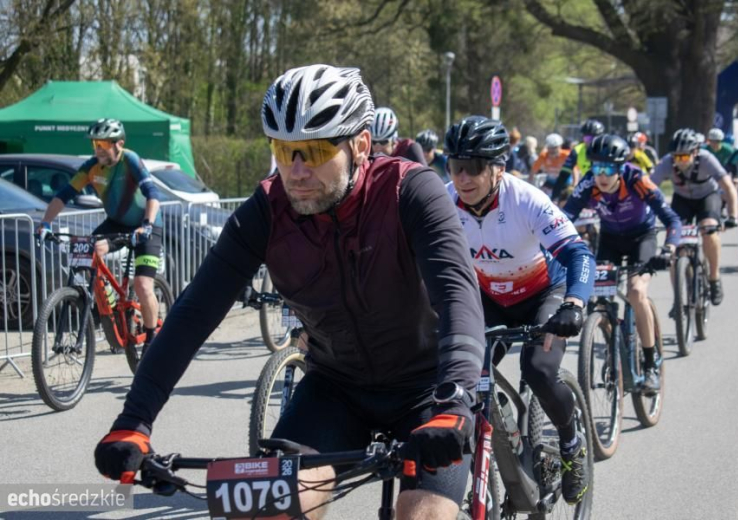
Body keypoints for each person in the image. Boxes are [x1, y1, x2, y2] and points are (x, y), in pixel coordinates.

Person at [93, 65, 486, 520]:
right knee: (269, 511)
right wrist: (134, 421)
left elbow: (458, 295)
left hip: (427, 388)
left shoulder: (410, 190)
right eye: (284, 150)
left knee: (422, 513)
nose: (296, 171)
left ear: (360, 145)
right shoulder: (266, 210)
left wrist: (455, 397)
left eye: (315, 150)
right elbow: (192, 315)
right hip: (336, 389)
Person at [445, 115, 595, 505]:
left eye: (474, 167)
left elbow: (577, 252)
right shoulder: (445, 201)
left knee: (540, 370)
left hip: (543, 292)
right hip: (489, 298)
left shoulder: (525, 199)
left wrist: (574, 304)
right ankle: (499, 446)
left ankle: (570, 443)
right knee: (458, 373)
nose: (463, 178)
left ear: (498, 169)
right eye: (456, 166)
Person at [563, 135, 681, 393]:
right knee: (599, 299)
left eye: (609, 168)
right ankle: (610, 341)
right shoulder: (588, 184)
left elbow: (672, 219)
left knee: (636, 292)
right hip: (610, 240)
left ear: (621, 168)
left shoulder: (637, 179)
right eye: (596, 167)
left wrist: (669, 247)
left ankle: (650, 365)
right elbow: (561, 220)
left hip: (642, 237)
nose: (602, 175)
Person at [36, 118, 162, 351]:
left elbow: (153, 194)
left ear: (118, 143)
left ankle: (153, 340)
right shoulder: (91, 166)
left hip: (147, 224)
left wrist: (146, 224)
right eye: (95, 144)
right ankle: (108, 306)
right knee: (88, 250)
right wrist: (45, 224)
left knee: (143, 285)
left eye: (102, 144)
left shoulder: (130, 160)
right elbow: (63, 195)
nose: (97, 150)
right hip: (116, 223)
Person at [651, 128, 738, 306]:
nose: (680, 161)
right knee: (674, 247)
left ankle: (714, 278)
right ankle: (678, 298)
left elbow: (728, 187)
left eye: (684, 157)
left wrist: (733, 215)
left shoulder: (707, 159)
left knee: (709, 229)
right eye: (676, 157)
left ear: (695, 152)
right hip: (682, 200)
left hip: (707, 197)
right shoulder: (668, 162)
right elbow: (649, 189)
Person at [552, 119, 605, 200]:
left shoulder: (607, 149)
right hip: (589, 188)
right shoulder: (577, 151)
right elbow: (563, 176)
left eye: (595, 138)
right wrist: (554, 198)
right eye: (588, 138)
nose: (591, 142)